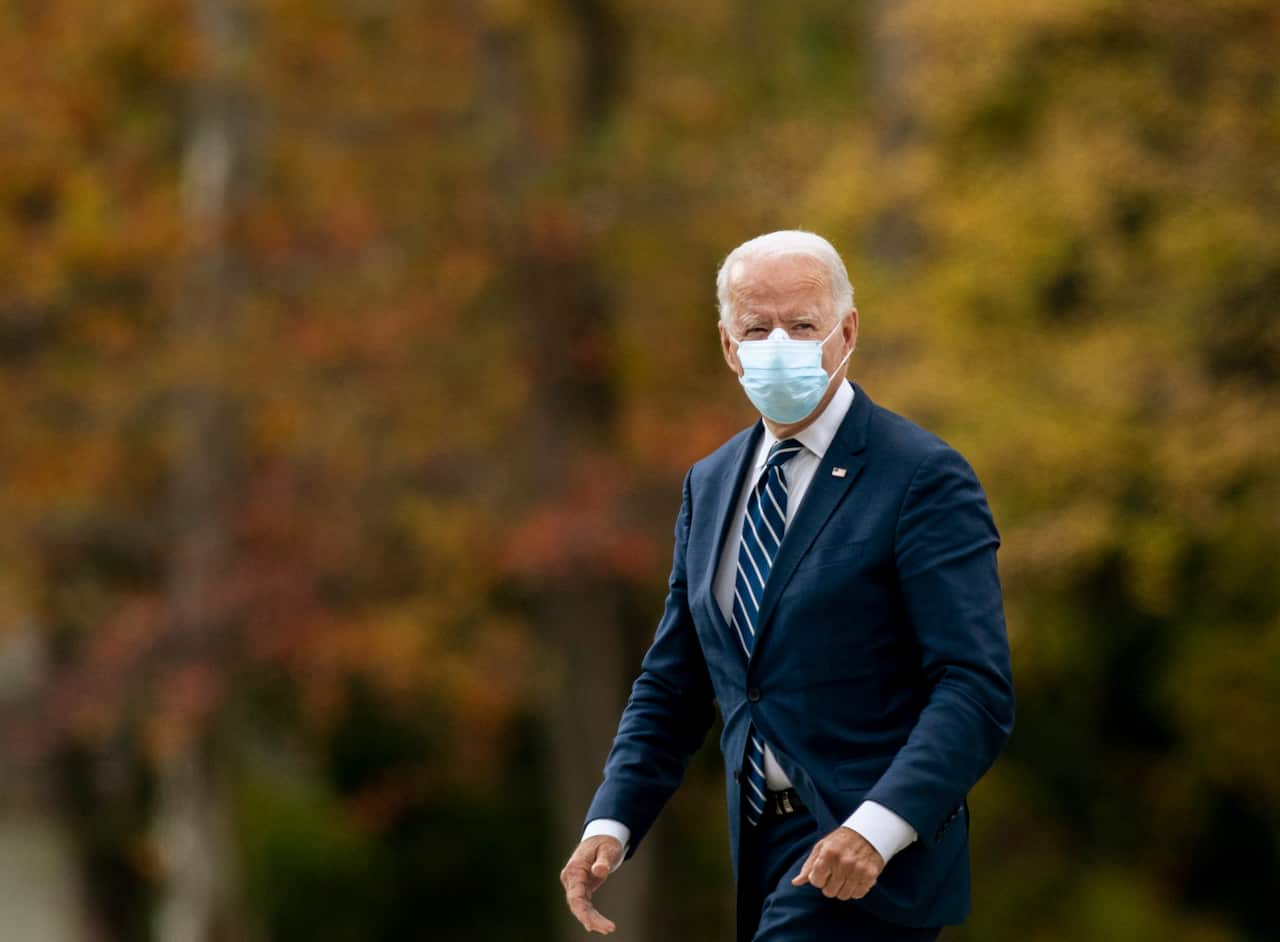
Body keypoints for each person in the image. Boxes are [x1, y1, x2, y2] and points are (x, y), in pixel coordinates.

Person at [559, 231, 1014, 941]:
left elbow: (974, 686)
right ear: (727, 345)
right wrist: (612, 820)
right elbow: (675, 683)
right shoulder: (710, 483)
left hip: (868, 860)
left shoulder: (921, 476)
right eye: (757, 327)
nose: (780, 344)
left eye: (802, 325)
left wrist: (876, 829)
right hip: (760, 849)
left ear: (847, 330)